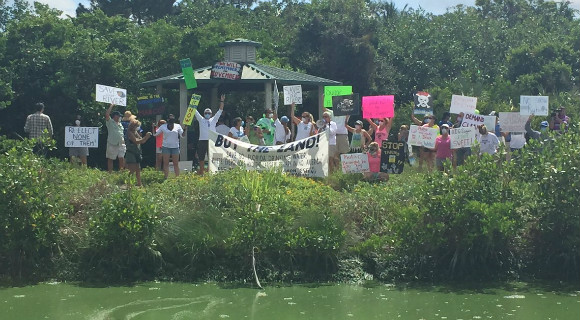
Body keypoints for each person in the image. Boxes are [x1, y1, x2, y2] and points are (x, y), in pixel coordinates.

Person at [194, 94, 225, 175]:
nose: (207, 114)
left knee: (211, 157)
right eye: (206, 113)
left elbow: (220, 110)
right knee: (201, 157)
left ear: (211, 114)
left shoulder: (213, 120)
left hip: (211, 141)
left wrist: (222, 101)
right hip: (202, 141)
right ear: (204, 113)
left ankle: (210, 171)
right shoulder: (201, 119)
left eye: (209, 113)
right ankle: (201, 171)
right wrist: (193, 100)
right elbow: (194, 110)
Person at [154, 114, 186, 179]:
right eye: (170, 118)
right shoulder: (163, 126)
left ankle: (177, 178)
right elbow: (155, 134)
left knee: (176, 163)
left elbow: (182, 135)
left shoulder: (178, 126)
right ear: (167, 119)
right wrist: (153, 127)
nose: (171, 120)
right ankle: (166, 177)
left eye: (172, 118)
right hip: (166, 147)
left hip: (175, 147)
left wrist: (185, 129)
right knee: (166, 163)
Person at [126, 119, 152, 186]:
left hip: (137, 153)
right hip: (131, 153)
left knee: (138, 169)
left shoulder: (135, 132)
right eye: (137, 126)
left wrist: (146, 137)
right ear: (133, 126)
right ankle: (129, 184)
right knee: (132, 170)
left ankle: (139, 183)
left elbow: (142, 141)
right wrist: (146, 137)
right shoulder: (129, 133)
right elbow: (136, 141)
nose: (138, 127)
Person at [105, 104, 126, 173]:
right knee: (110, 158)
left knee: (121, 158)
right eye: (118, 116)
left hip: (121, 143)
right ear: (115, 116)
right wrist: (111, 106)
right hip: (112, 143)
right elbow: (107, 115)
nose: (119, 117)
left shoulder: (120, 124)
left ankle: (122, 172)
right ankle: (110, 172)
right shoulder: (110, 122)